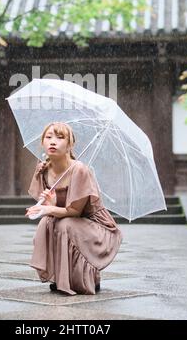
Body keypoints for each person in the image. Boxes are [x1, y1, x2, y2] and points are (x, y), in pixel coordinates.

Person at [25, 121, 123, 296]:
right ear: (42, 142)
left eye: (60, 138)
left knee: (64, 224)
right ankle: (60, 278)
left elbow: (75, 212)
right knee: (46, 223)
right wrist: (50, 204)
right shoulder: (43, 169)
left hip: (93, 225)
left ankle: (87, 279)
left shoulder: (79, 170)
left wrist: (49, 210)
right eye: (48, 137)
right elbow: (55, 209)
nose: (52, 142)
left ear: (70, 145)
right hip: (68, 218)